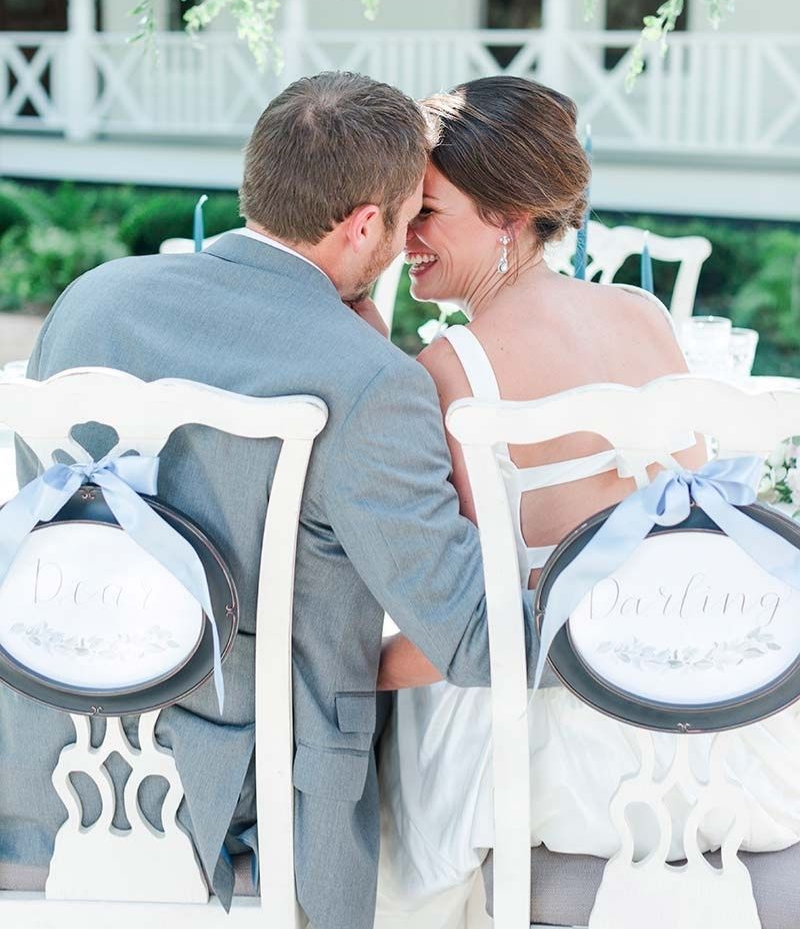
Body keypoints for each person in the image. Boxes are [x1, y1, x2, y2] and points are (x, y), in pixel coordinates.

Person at [6, 72, 550, 929]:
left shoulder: (90, 303)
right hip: (259, 812)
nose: (410, 241)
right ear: (367, 224)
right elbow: (480, 645)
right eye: (411, 215)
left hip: (48, 766)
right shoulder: (372, 384)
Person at [375, 76, 800, 928]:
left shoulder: (451, 370)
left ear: (505, 215)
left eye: (427, 212)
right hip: (716, 721)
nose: (402, 237)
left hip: (546, 750)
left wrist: (338, 672)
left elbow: (471, 629)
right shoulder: (643, 316)